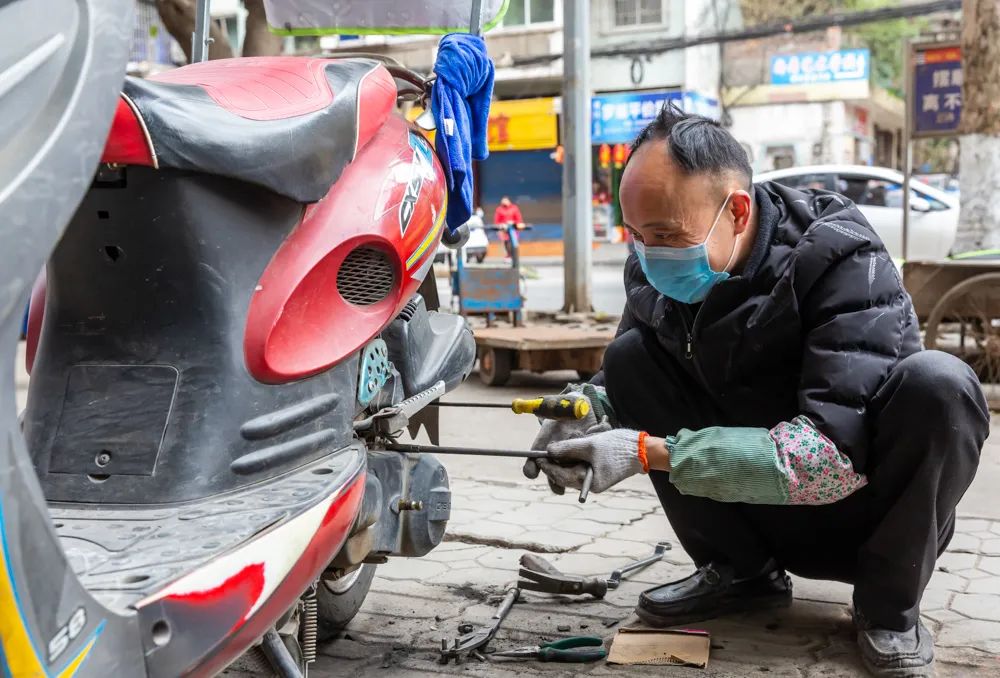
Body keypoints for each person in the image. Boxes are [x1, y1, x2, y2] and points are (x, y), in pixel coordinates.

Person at [523, 103, 988, 678]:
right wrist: (582, 414)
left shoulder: (839, 256)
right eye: (637, 236)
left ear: (737, 211)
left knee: (941, 386)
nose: (650, 253)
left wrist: (642, 452)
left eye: (667, 234)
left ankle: (888, 606)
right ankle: (742, 573)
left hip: (857, 512)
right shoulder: (653, 267)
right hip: (753, 512)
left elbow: (828, 458)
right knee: (627, 358)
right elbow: (623, 380)